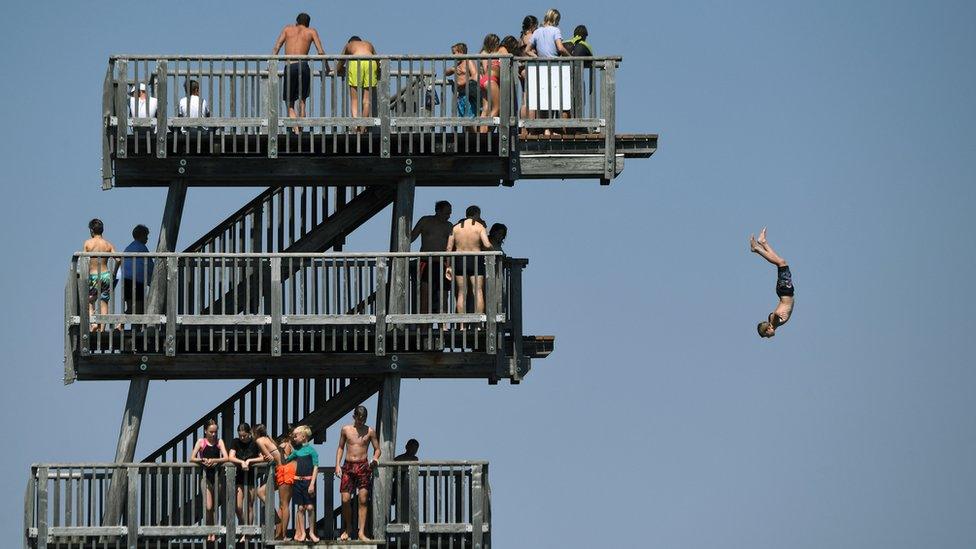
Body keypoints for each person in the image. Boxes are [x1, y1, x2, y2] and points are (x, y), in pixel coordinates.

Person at [334, 406, 381, 542]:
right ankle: (348, 527)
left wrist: (375, 458)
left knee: (363, 499)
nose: (361, 422)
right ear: (354, 417)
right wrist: (337, 464)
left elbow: (377, 449)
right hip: (348, 466)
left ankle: (361, 532)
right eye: (359, 419)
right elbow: (341, 447)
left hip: (363, 466)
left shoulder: (370, 431)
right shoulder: (346, 429)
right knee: (345, 499)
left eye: (363, 420)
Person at [273, 13, 326, 129]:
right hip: (304, 66)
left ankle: (295, 128)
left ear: (296, 22)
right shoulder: (311, 31)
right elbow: (321, 52)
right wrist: (327, 67)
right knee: (302, 101)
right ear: (308, 24)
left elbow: (277, 47)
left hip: (290, 66)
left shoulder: (287, 29)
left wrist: (271, 65)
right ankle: (301, 128)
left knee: (289, 102)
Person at [446, 206, 493, 315]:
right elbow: (486, 244)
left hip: (460, 260)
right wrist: (492, 249)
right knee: (478, 291)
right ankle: (478, 324)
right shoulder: (479, 227)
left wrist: (448, 266)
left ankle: (462, 324)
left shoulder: (455, 228)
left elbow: (449, 248)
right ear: (478, 214)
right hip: (475, 259)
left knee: (462, 292)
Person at [750, 227, 795, 338]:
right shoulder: (773, 323)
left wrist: (774, 318)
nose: (769, 337)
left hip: (785, 292)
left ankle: (757, 248)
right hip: (784, 292)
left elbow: (774, 315)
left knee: (781, 263)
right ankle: (763, 243)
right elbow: (773, 315)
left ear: (768, 329)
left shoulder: (774, 323)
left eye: (767, 335)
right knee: (781, 263)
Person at [411, 201, 453, 313]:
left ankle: (442, 328)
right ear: (438, 211)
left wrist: (449, 265)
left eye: (450, 213)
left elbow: (452, 247)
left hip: (442, 263)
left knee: (443, 295)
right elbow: (410, 238)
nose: (448, 216)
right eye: (446, 213)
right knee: (425, 294)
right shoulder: (425, 221)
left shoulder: (449, 226)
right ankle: (424, 327)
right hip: (426, 262)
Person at [190, 419, 228, 543]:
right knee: (208, 506)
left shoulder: (219, 441)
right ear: (206, 431)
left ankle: (214, 533)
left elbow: (226, 457)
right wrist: (203, 460)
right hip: (205, 477)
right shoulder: (201, 442)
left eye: (215, 432)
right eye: (211, 432)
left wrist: (215, 460)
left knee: (215, 506)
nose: (213, 434)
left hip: (217, 477)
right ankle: (209, 531)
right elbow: (192, 458)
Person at [284, 425, 320, 543]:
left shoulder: (312, 451)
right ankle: (302, 532)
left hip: (308, 481)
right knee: (300, 508)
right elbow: (286, 459)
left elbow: (315, 467)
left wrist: (312, 484)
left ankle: (311, 532)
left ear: (304, 437)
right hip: (297, 481)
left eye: (296, 436)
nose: (294, 438)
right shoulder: (297, 451)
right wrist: (283, 448)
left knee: (310, 507)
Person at [83, 219, 118, 332]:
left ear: (91, 230)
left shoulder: (88, 243)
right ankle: (102, 328)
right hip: (106, 275)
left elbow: (84, 261)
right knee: (104, 302)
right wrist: (114, 272)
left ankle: (93, 324)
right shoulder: (108, 244)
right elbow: (118, 259)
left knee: (90, 301)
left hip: (93, 275)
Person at [229, 423, 262, 538]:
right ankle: (244, 526)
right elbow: (231, 457)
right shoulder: (235, 442)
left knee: (249, 505)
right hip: (239, 476)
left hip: (251, 476)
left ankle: (248, 532)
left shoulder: (254, 443)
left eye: (244, 436)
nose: (242, 438)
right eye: (240, 435)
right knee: (238, 507)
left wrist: (249, 461)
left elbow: (262, 457)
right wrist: (241, 462)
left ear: (249, 434)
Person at [337, 37, 378, 124]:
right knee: (367, 100)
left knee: (354, 99)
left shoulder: (349, 45)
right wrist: (378, 70)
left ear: (351, 42)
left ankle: (356, 125)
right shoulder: (368, 44)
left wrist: (338, 70)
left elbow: (340, 62)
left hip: (356, 61)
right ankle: (363, 125)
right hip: (371, 62)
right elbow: (378, 59)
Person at [252, 424, 283, 536]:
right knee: (263, 493)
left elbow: (269, 457)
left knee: (260, 492)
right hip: (281, 469)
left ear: (255, 433)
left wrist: (250, 460)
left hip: (277, 471)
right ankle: (277, 521)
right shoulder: (268, 438)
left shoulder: (260, 440)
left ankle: (277, 519)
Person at [120, 225, 152, 317]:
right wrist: (153, 280)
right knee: (139, 307)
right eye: (146, 236)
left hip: (126, 280)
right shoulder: (142, 248)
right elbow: (149, 266)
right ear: (141, 236)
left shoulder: (128, 248)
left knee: (130, 306)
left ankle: (121, 324)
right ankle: (137, 329)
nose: (147, 239)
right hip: (138, 281)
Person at [273, 426, 297, 540]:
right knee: (283, 504)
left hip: (286, 472)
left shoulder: (287, 445)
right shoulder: (289, 445)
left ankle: (282, 533)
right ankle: (281, 533)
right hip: (287, 472)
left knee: (283, 504)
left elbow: (284, 459)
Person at [446, 43, 479, 121]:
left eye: (454, 53)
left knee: (470, 118)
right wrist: (452, 69)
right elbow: (446, 73)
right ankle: (469, 133)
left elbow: (475, 75)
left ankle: (474, 133)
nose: (453, 56)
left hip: (468, 94)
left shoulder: (468, 62)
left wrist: (463, 82)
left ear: (461, 52)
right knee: (463, 119)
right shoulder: (457, 65)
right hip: (460, 95)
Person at [478, 34, 502, 133]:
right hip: (490, 80)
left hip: (484, 81)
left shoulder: (486, 53)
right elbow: (485, 68)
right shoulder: (485, 53)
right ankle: (486, 130)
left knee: (486, 108)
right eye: (497, 43)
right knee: (497, 107)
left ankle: (482, 131)